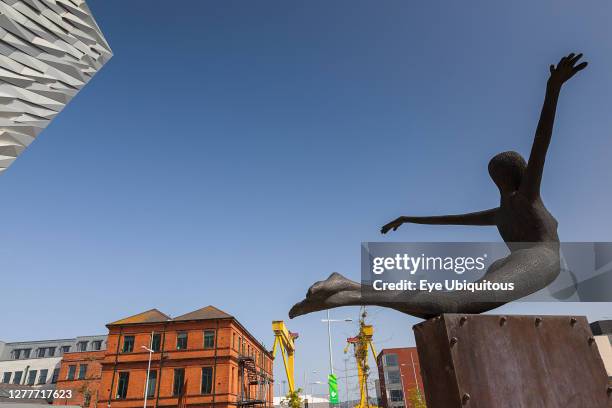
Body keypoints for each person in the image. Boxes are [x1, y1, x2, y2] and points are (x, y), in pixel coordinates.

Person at [289, 53, 587, 319]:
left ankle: (349, 288)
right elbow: (541, 143)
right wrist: (553, 89)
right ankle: (349, 291)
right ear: (521, 172)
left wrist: (407, 218)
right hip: (539, 261)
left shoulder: (500, 213)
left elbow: (448, 220)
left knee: (446, 308)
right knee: (455, 304)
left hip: (511, 263)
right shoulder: (527, 199)